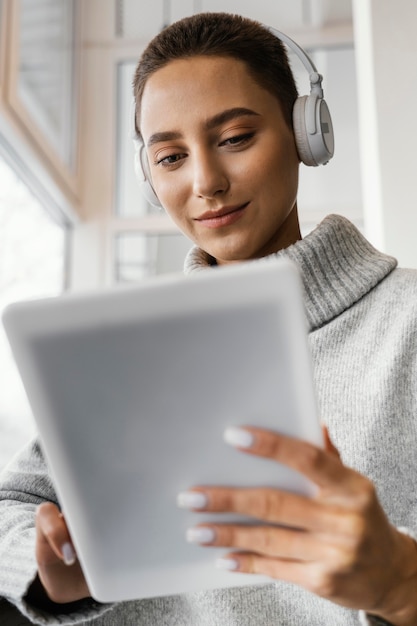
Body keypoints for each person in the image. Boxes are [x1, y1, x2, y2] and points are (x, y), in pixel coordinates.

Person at [1, 11, 417, 626]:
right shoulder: (128, 349)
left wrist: (401, 583)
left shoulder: (406, 321)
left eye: (235, 138)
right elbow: (14, 504)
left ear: (306, 135)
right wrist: (45, 572)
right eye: (170, 157)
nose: (207, 182)